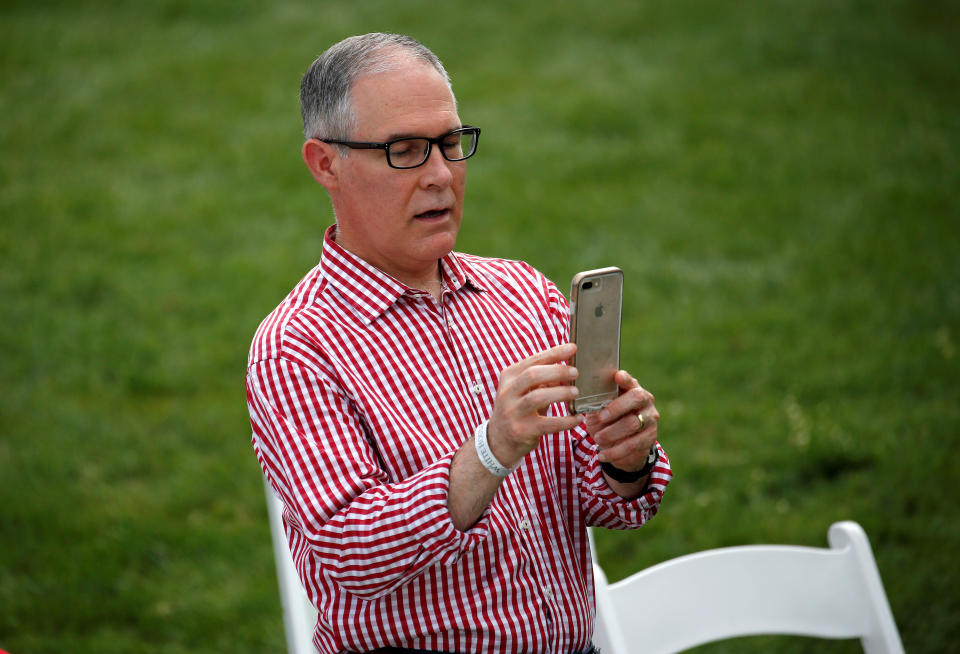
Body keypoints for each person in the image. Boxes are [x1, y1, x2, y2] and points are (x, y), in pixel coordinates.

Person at [246, 33, 672, 654]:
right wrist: (491, 450)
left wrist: (624, 460)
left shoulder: (522, 291)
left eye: (449, 144)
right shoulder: (296, 347)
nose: (441, 176)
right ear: (325, 164)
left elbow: (603, 502)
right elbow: (352, 552)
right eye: (405, 151)